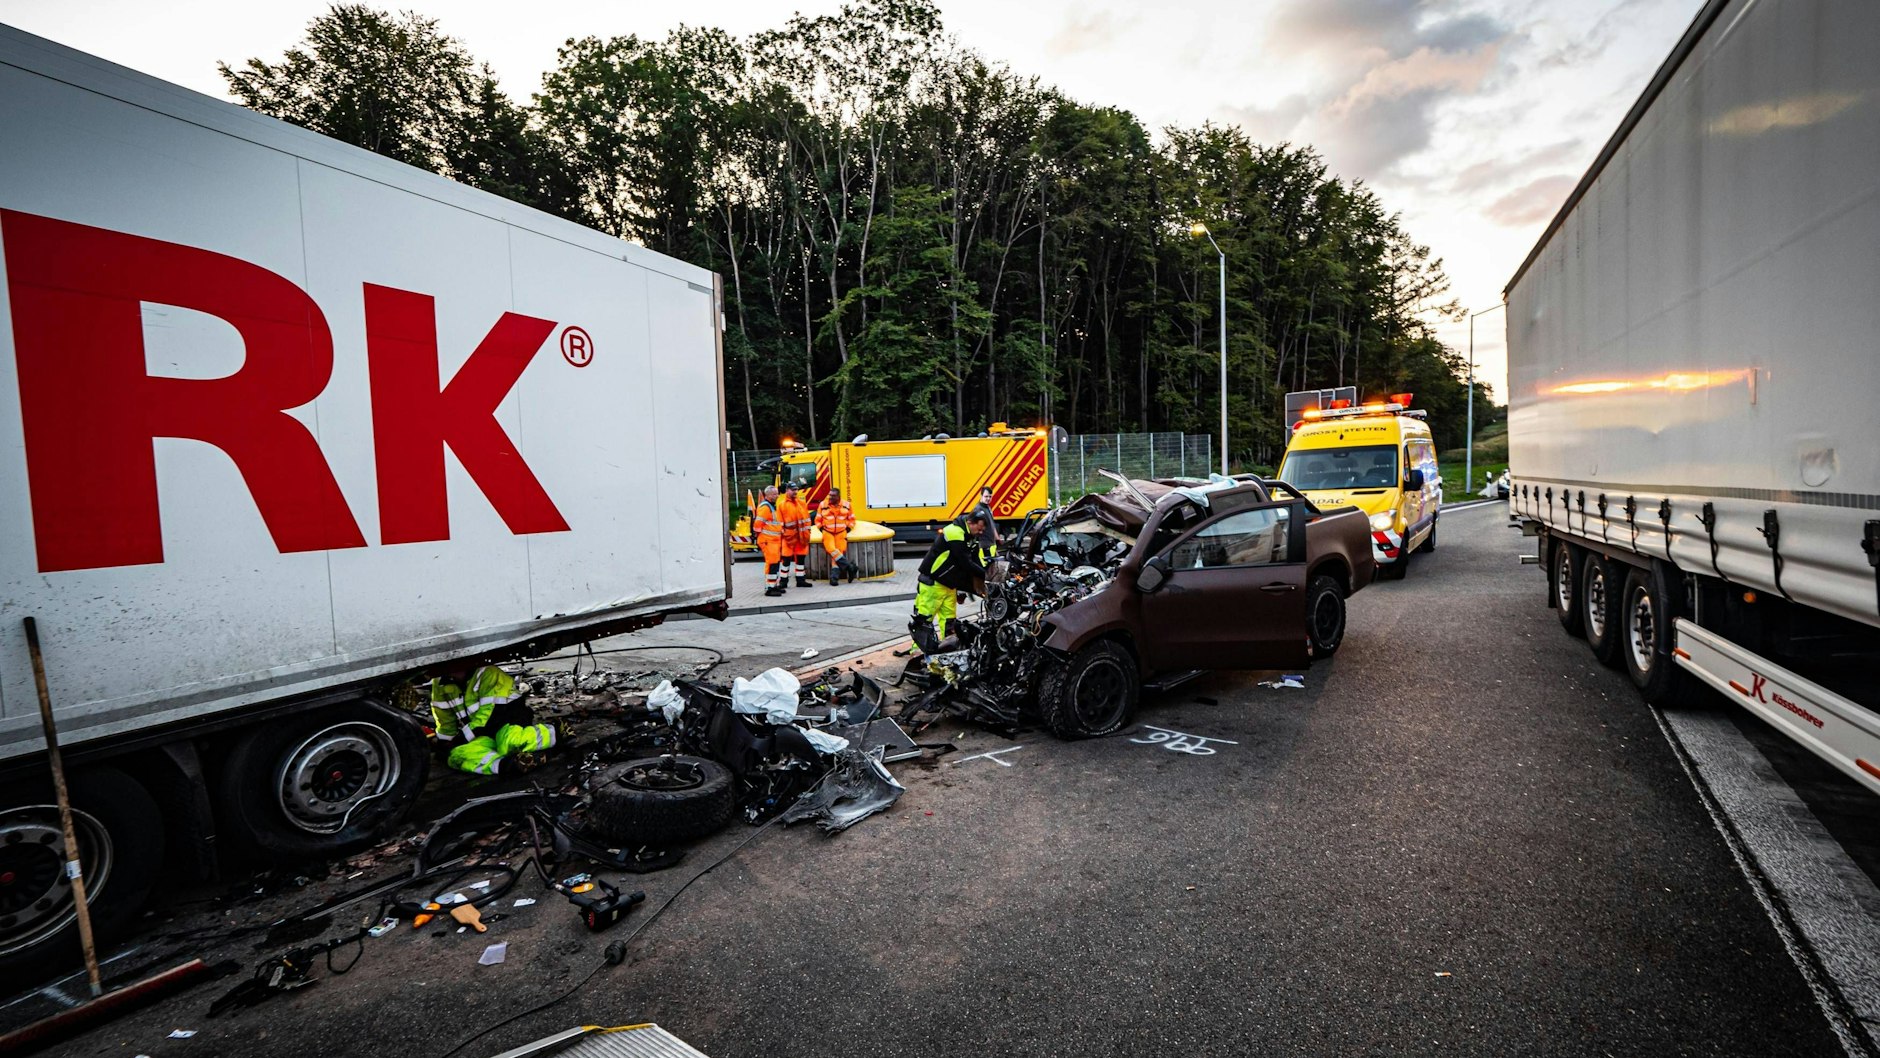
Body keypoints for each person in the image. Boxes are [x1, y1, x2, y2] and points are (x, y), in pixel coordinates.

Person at [429, 665, 557, 775]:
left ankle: (556, 732)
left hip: (509, 722)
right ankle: (507, 765)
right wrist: (445, 744)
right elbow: (445, 721)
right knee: (457, 755)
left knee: (509, 742)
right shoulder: (439, 683)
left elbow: (486, 718)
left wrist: (459, 740)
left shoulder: (488, 673)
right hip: (484, 733)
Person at [910, 509, 990, 655]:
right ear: (970, 523)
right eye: (979, 529)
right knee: (924, 619)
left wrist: (986, 575)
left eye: (983, 530)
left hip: (949, 584)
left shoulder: (971, 536)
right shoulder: (954, 532)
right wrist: (985, 576)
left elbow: (975, 559)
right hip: (933, 583)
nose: (980, 532)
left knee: (949, 621)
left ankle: (946, 650)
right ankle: (918, 652)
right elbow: (965, 562)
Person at [778, 481, 814, 588]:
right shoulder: (782, 505)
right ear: (787, 491)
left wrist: (808, 532)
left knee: (801, 560)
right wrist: (783, 534)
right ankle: (783, 582)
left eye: (796, 490)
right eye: (793, 490)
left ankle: (800, 580)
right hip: (788, 538)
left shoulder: (802, 504)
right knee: (786, 560)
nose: (795, 492)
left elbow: (807, 520)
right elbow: (779, 523)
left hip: (801, 537)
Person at [818, 489, 857, 586]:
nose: (830, 497)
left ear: (838, 497)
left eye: (833, 496)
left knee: (838, 552)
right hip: (827, 532)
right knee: (831, 549)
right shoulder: (823, 505)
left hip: (841, 532)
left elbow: (852, 519)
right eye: (829, 495)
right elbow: (818, 520)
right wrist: (822, 528)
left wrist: (848, 529)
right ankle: (849, 567)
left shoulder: (847, 505)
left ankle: (834, 578)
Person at [753, 485, 785, 597]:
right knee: (772, 563)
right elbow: (757, 524)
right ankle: (770, 588)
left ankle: (773, 585)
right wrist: (760, 536)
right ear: (767, 495)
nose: (777, 496)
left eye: (777, 493)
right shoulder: (765, 507)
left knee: (775, 563)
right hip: (768, 540)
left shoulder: (771, 506)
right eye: (774, 494)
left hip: (773, 541)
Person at [969, 486, 1000, 564]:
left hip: (991, 544)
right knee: (987, 568)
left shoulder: (987, 508)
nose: (988, 498)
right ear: (981, 496)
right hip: (984, 546)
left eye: (990, 496)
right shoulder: (978, 509)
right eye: (986, 496)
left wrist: (997, 538)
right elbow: (974, 528)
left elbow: (991, 524)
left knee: (993, 566)